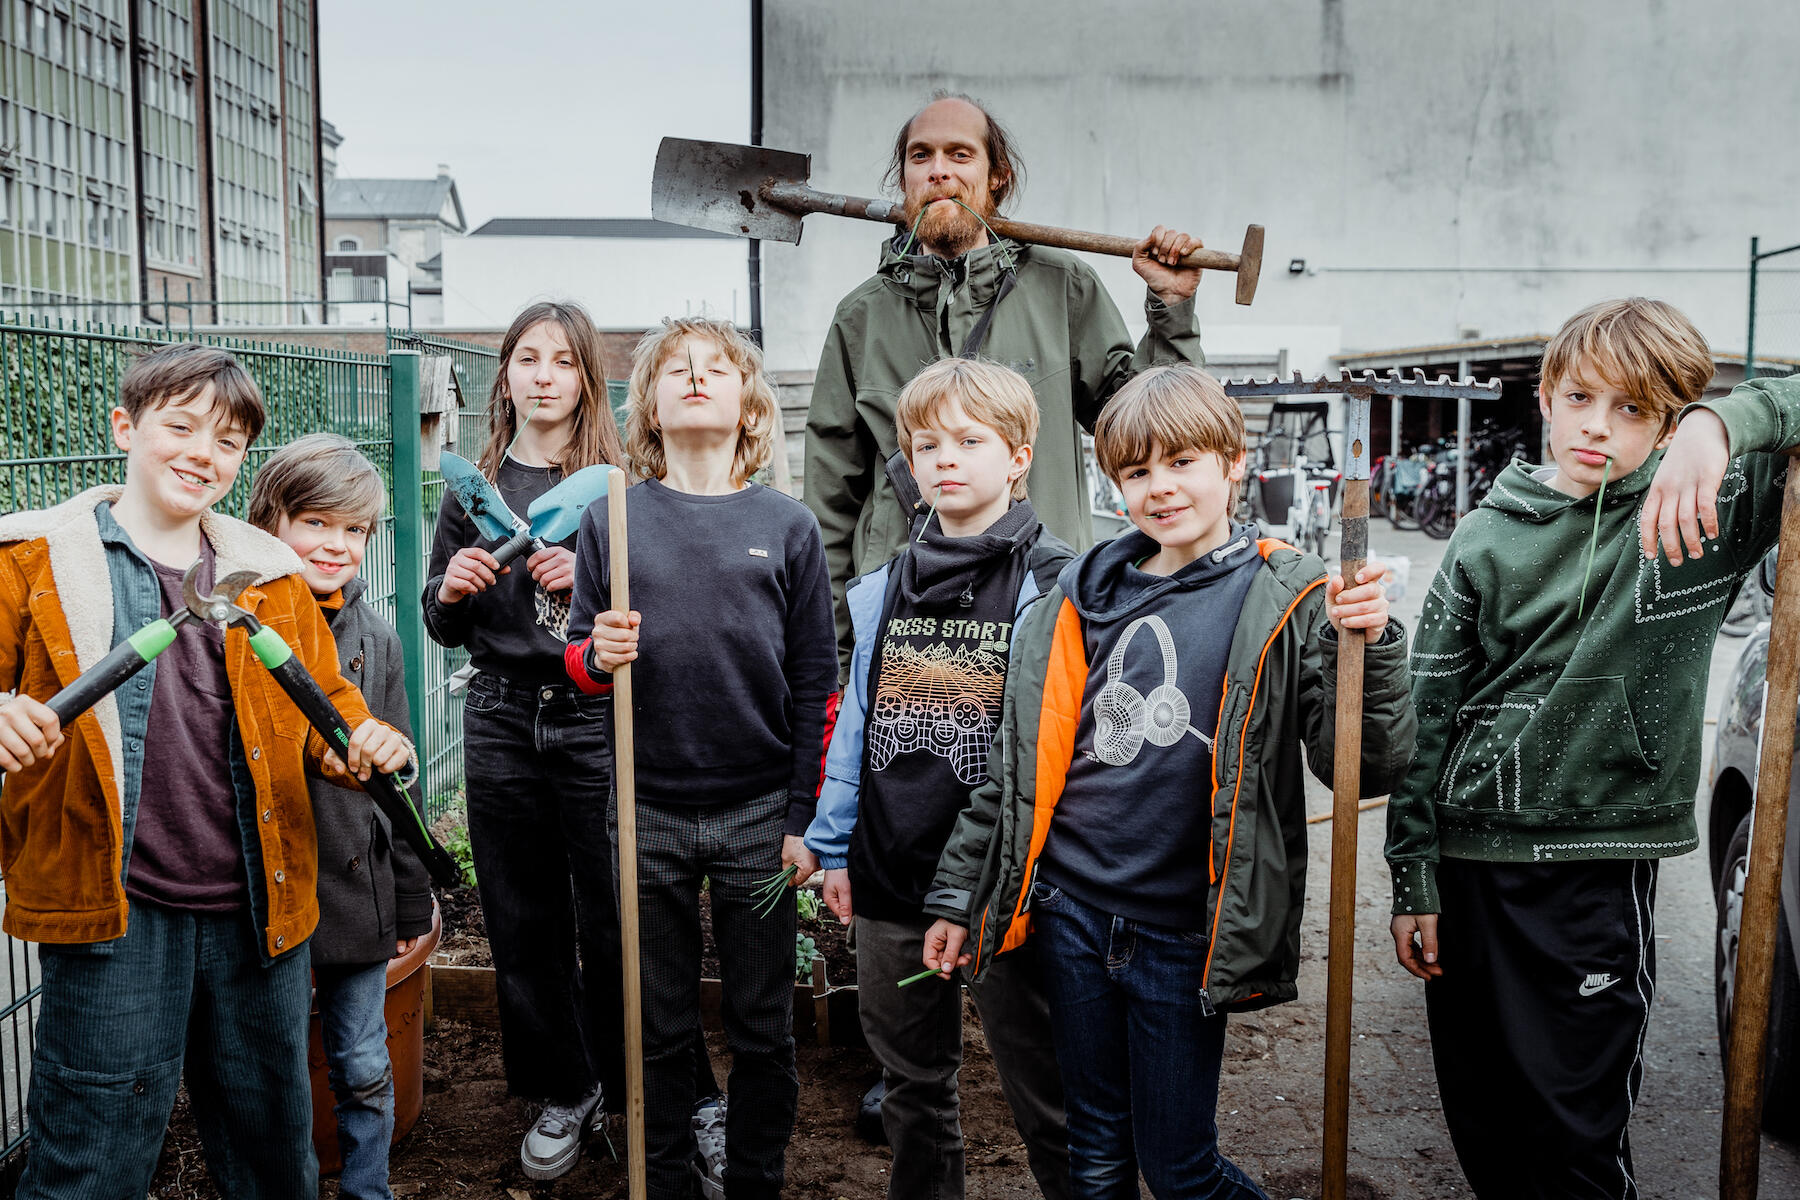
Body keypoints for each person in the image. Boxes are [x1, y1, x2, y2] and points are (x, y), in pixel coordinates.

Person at [922, 363, 1415, 1198]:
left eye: (1182, 462)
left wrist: (1370, 645)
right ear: (1114, 484)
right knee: (1097, 1155)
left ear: (1233, 462)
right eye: (1137, 471)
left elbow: (1364, 763)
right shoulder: (1075, 601)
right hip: (1070, 913)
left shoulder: (1291, 595)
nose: (1160, 487)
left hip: (1185, 929)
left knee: (1179, 1168)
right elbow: (1016, 774)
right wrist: (956, 896)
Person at [1385, 297, 1800, 1199]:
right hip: (1467, 863)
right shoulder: (1483, 538)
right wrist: (1412, 872)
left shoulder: (1703, 510)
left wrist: (1718, 424)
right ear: (1543, 396)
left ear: (1669, 419)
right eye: (1580, 398)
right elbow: (1428, 715)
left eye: (1635, 410)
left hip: (1593, 872)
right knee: (1486, 1126)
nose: (1597, 427)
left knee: (1574, 1133)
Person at [0, 342, 412, 1199]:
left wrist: (361, 745)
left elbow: (327, 715)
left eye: (226, 442)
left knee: (272, 1146)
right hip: (111, 908)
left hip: (259, 911)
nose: (202, 453)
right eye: (179, 426)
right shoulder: (31, 561)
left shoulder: (272, 576)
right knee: (93, 1148)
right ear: (124, 426)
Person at [565, 317, 836, 1200]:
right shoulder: (615, 518)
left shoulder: (787, 527)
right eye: (674, 369)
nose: (693, 378)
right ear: (647, 402)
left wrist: (804, 818)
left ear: (747, 403)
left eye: (715, 369)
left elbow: (813, 685)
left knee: (762, 1022)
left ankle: (755, 1178)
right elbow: (577, 661)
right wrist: (598, 656)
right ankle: (672, 1179)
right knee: (660, 1024)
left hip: (759, 810)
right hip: (644, 808)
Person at [805, 91, 1208, 673]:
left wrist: (1170, 306)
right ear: (904, 180)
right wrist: (841, 653)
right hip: (903, 621)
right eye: (921, 157)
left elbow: (1152, 430)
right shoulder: (860, 318)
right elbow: (830, 504)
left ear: (997, 177)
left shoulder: (1063, 288)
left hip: (1040, 608)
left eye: (959, 154)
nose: (939, 169)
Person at [804, 358, 1074, 1200]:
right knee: (914, 1089)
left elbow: (1047, 750)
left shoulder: (1056, 585)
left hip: (1006, 888)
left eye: (969, 440)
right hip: (890, 875)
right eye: (926, 445)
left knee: (1048, 1096)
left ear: (1019, 456)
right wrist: (834, 844)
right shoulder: (884, 587)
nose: (944, 459)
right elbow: (856, 722)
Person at [422, 300, 628, 1180]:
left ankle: (643, 1086)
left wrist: (591, 573)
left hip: (594, 720)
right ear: (505, 374)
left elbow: (655, 609)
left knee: (618, 910)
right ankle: (565, 1087)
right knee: (519, 915)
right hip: (501, 716)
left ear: (587, 379)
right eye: (527, 359)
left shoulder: (620, 488)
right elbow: (438, 623)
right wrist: (455, 589)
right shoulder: (473, 487)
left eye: (562, 361)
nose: (543, 375)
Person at [249, 433, 434, 1200]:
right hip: (269, 893)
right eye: (315, 523)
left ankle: (369, 1189)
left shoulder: (379, 639)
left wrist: (412, 897)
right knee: (278, 1069)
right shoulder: (241, 629)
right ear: (269, 523)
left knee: (361, 1063)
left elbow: (399, 786)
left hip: (355, 893)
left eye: (354, 530)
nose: (336, 545)